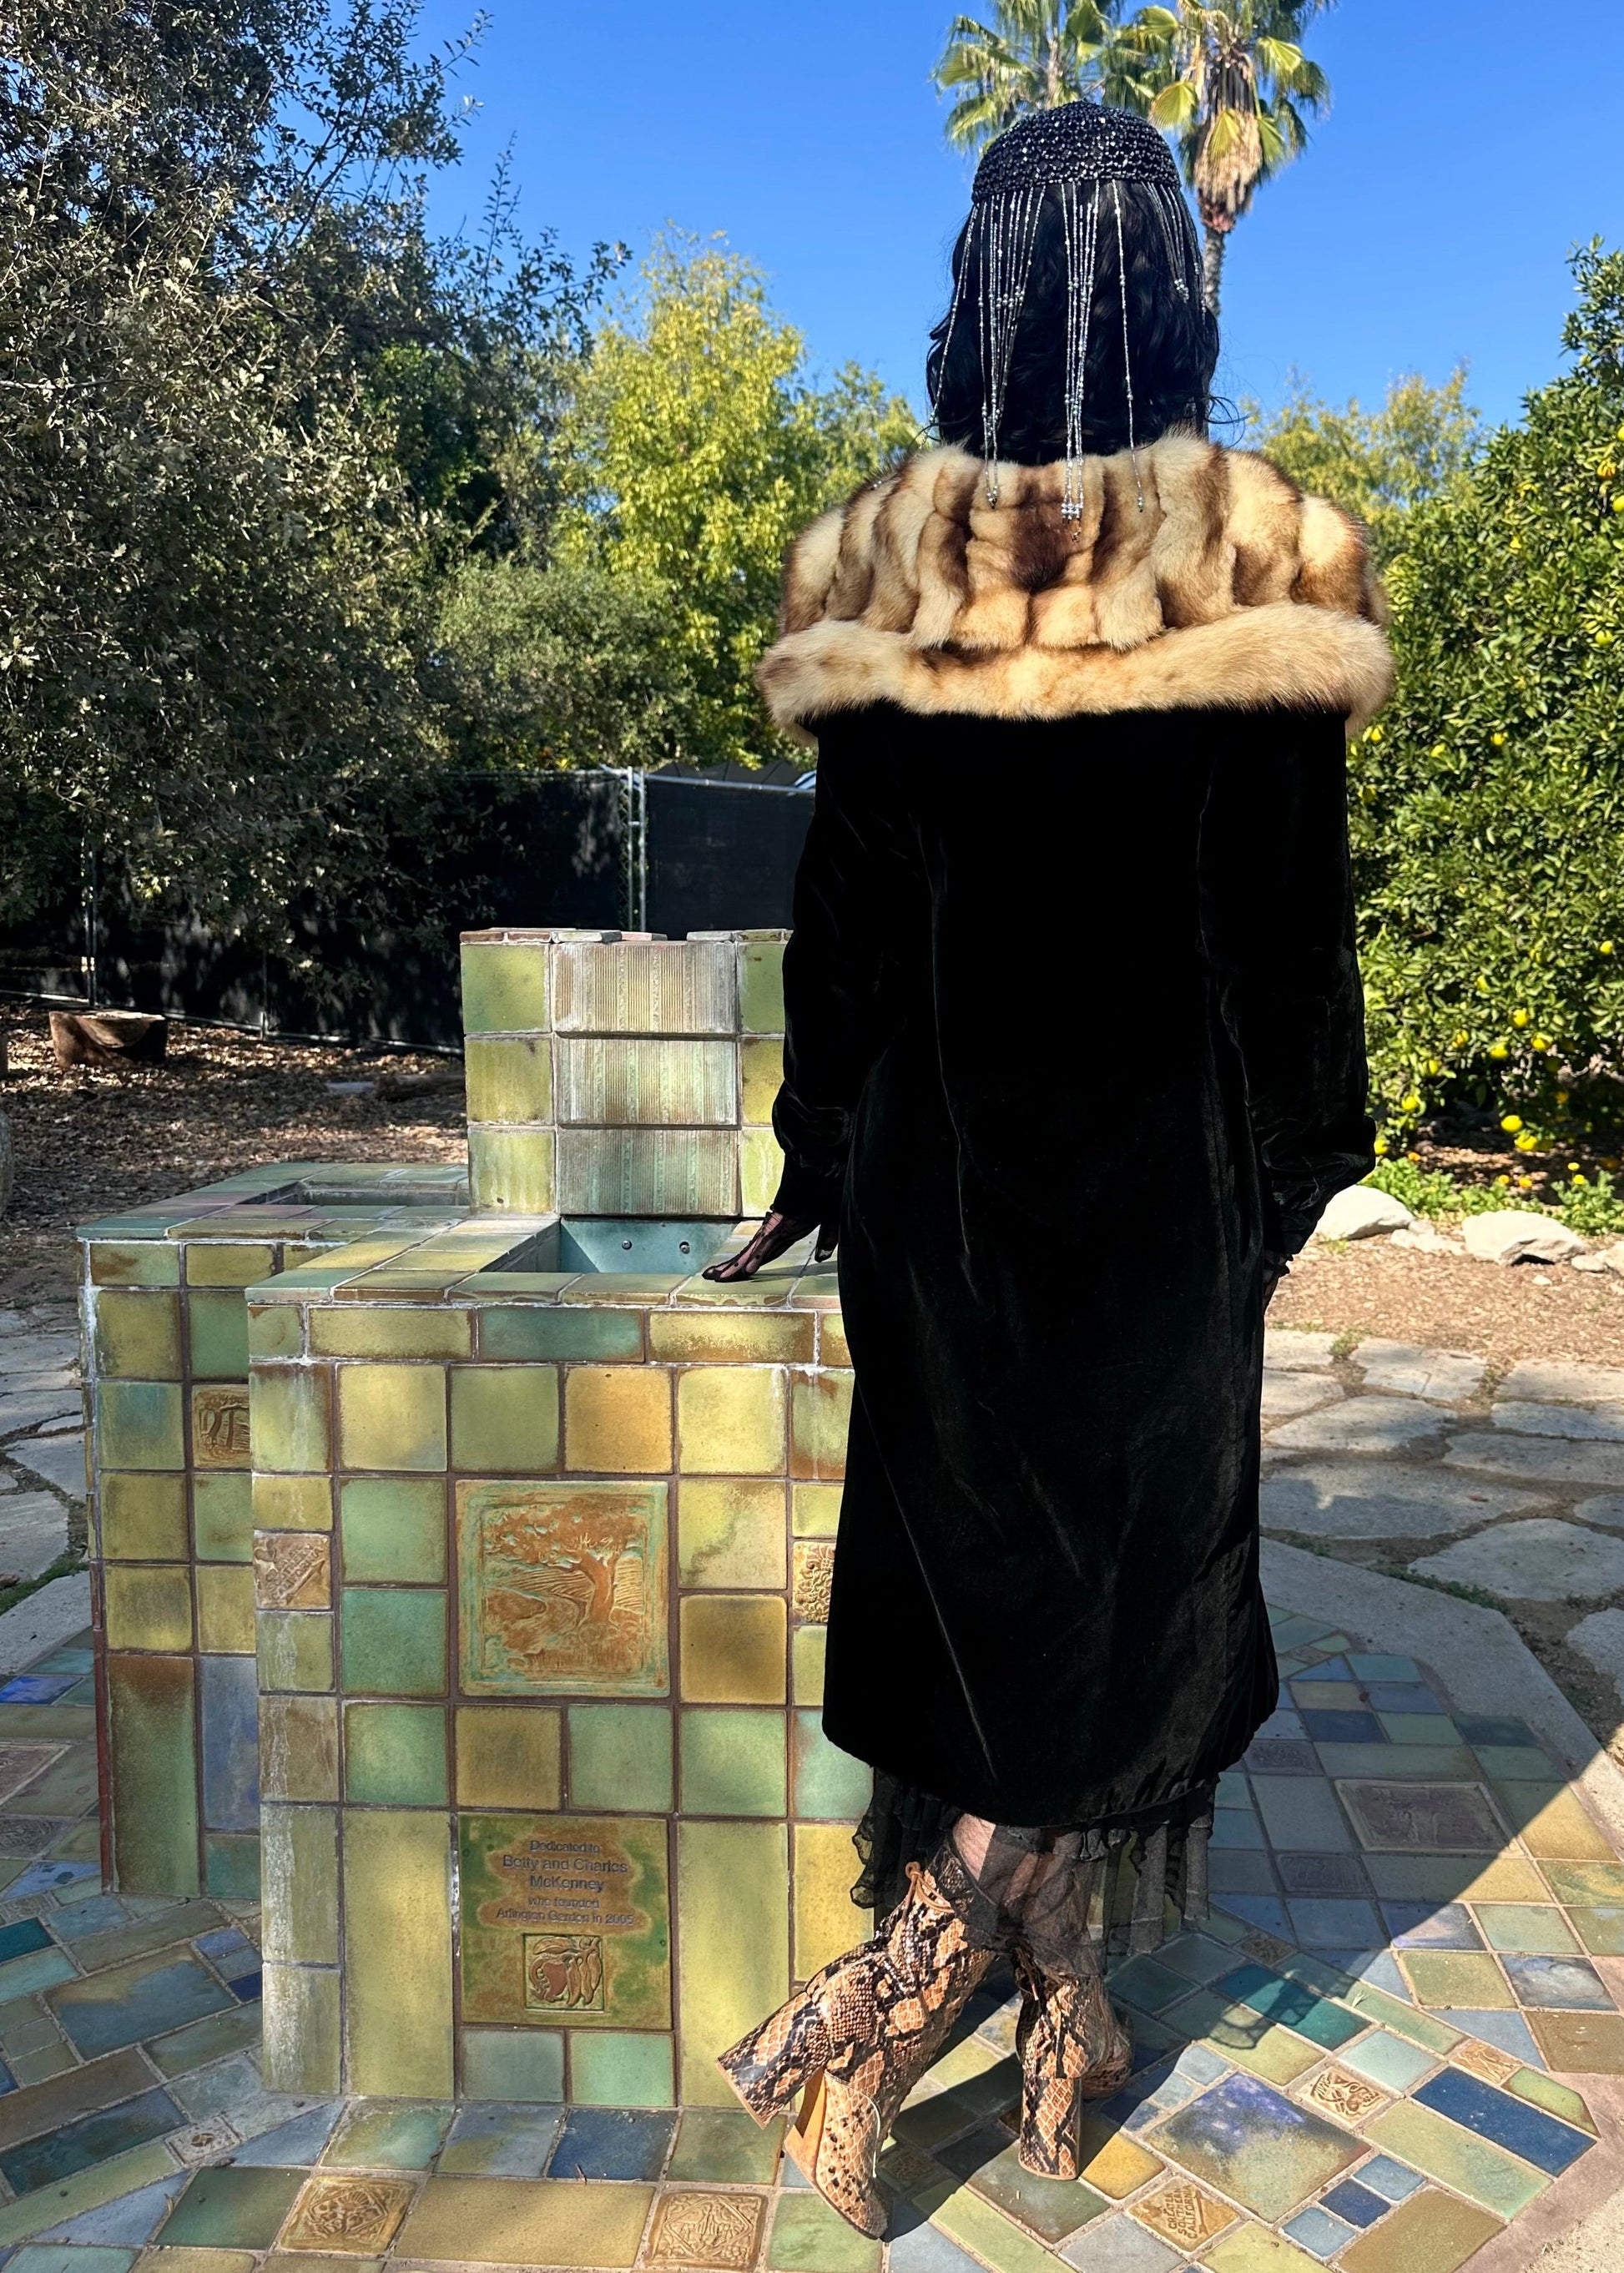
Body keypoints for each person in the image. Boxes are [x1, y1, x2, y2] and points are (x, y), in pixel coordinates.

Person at [709, 98, 1387, 2238]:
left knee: (1001, 1597)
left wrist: (823, 1158)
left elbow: (848, 931)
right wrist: (1282, 1183)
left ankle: (1015, 1995)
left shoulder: (893, 570)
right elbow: (1293, 942)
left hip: (944, 1195)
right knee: (1109, 1606)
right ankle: (956, 1994)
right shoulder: (1262, 558)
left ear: (978, 282)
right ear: (1169, 287)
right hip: (1153, 1207)